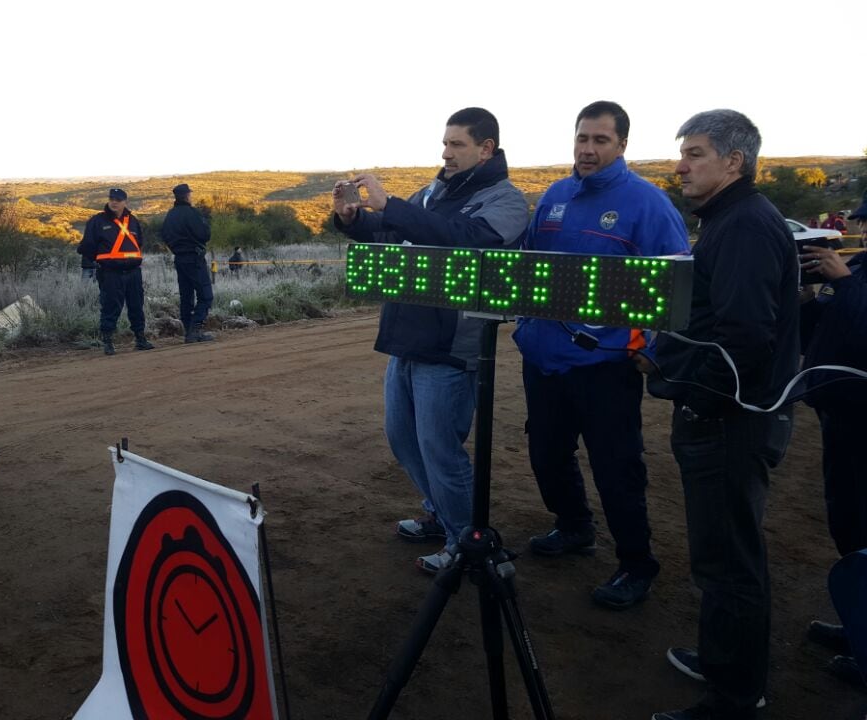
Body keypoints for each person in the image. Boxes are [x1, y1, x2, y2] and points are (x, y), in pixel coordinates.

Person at [646, 109, 800, 720]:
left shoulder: (743, 226)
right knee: (719, 553)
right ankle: (722, 659)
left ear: (734, 162)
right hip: (727, 416)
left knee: (731, 561)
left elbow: (743, 337)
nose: (680, 165)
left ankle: (735, 697)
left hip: (731, 423)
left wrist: (696, 397)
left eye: (695, 153)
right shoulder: (735, 219)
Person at [332, 107, 528, 574]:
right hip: (408, 336)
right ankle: (443, 516)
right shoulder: (434, 192)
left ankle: (471, 545)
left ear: (486, 149)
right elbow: (390, 230)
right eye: (445, 143)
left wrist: (393, 205)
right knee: (403, 439)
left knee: (441, 450)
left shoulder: (506, 202)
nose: (446, 153)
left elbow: (465, 240)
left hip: (452, 348)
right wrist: (352, 219)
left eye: (457, 145)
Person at [512, 100, 690, 610]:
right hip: (544, 360)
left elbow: (674, 285)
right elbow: (529, 267)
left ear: (622, 146)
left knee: (616, 468)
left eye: (600, 141)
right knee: (546, 454)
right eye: (581, 139)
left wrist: (649, 347)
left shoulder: (648, 204)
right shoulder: (554, 196)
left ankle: (637, 563)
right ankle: (574, 528)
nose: (588, 150)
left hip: (605, 366)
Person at [798, 194, 867, 690]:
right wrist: (808, 298)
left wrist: (843, 284)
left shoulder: (853, 276)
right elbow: (820, 331)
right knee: (848, 523)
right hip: (841, 414)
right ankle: (857, 624)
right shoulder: (858, 269)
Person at [78, 188, 154, 355]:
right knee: (110, 306)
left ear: (125, 202)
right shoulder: (97, 221)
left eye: (118, 199)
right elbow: (87, 246)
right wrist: (101, 262)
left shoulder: (133, 221)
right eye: (112, 198)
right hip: (110, 273)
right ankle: (108, 342)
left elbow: (139, 242)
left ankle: (140, 339)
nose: (114, 202)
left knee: (136, 306)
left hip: (133, 272)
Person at [160, 183, 215, 343]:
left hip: (179, 259)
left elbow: (164, 234)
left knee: (186, 296)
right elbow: (205, 234)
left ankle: (188, 331)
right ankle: (195, 329)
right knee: (205, 295)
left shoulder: (170, 215)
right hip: (194, 258)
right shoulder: (192, 213)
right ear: (187, 196)